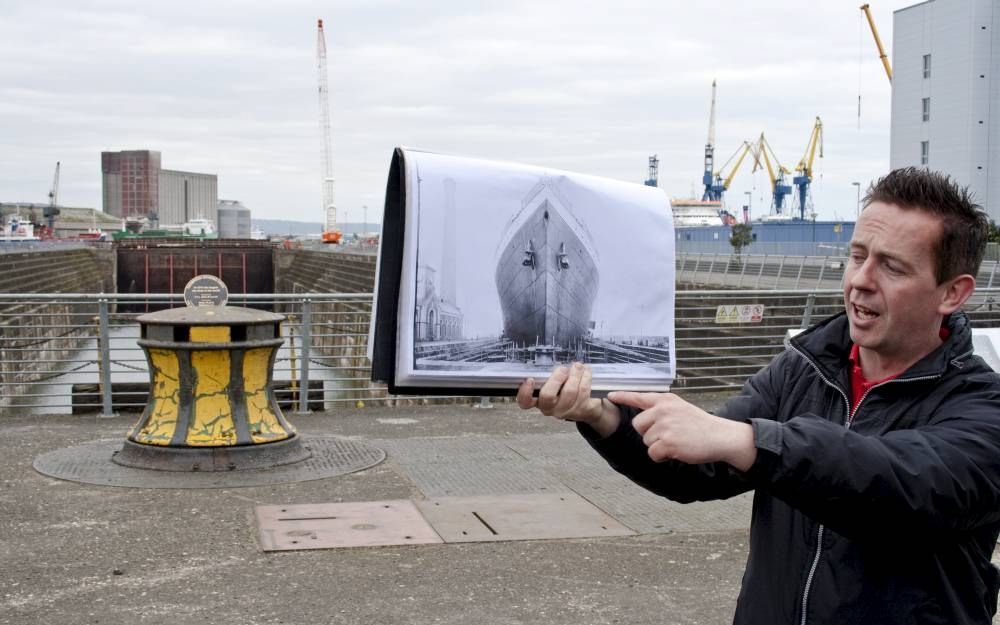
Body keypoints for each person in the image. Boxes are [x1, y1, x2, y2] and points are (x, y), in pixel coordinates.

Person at [517, 167, 1000, 624]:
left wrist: (750, 441)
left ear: (952, 293)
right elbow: (699, 468)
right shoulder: (803, 368)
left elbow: (901, 484)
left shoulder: (983, 407)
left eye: (892, 267)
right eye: (857, 255)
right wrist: (601, 416)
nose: (859, 281)